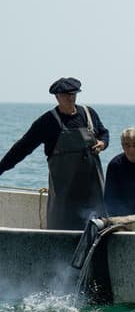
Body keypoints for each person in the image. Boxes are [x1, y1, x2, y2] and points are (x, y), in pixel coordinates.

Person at [0, 77, 109, 229]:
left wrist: (102, 143)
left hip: (92, 190)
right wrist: (1, 168)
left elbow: (104, 133)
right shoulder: (48, 121)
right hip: (65, 193)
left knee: (98, 229)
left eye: (73, 94)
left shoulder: (89, 113)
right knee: (63, 230)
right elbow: (22, 147)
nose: (70, 98)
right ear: (57, 97)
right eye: (65, 95)